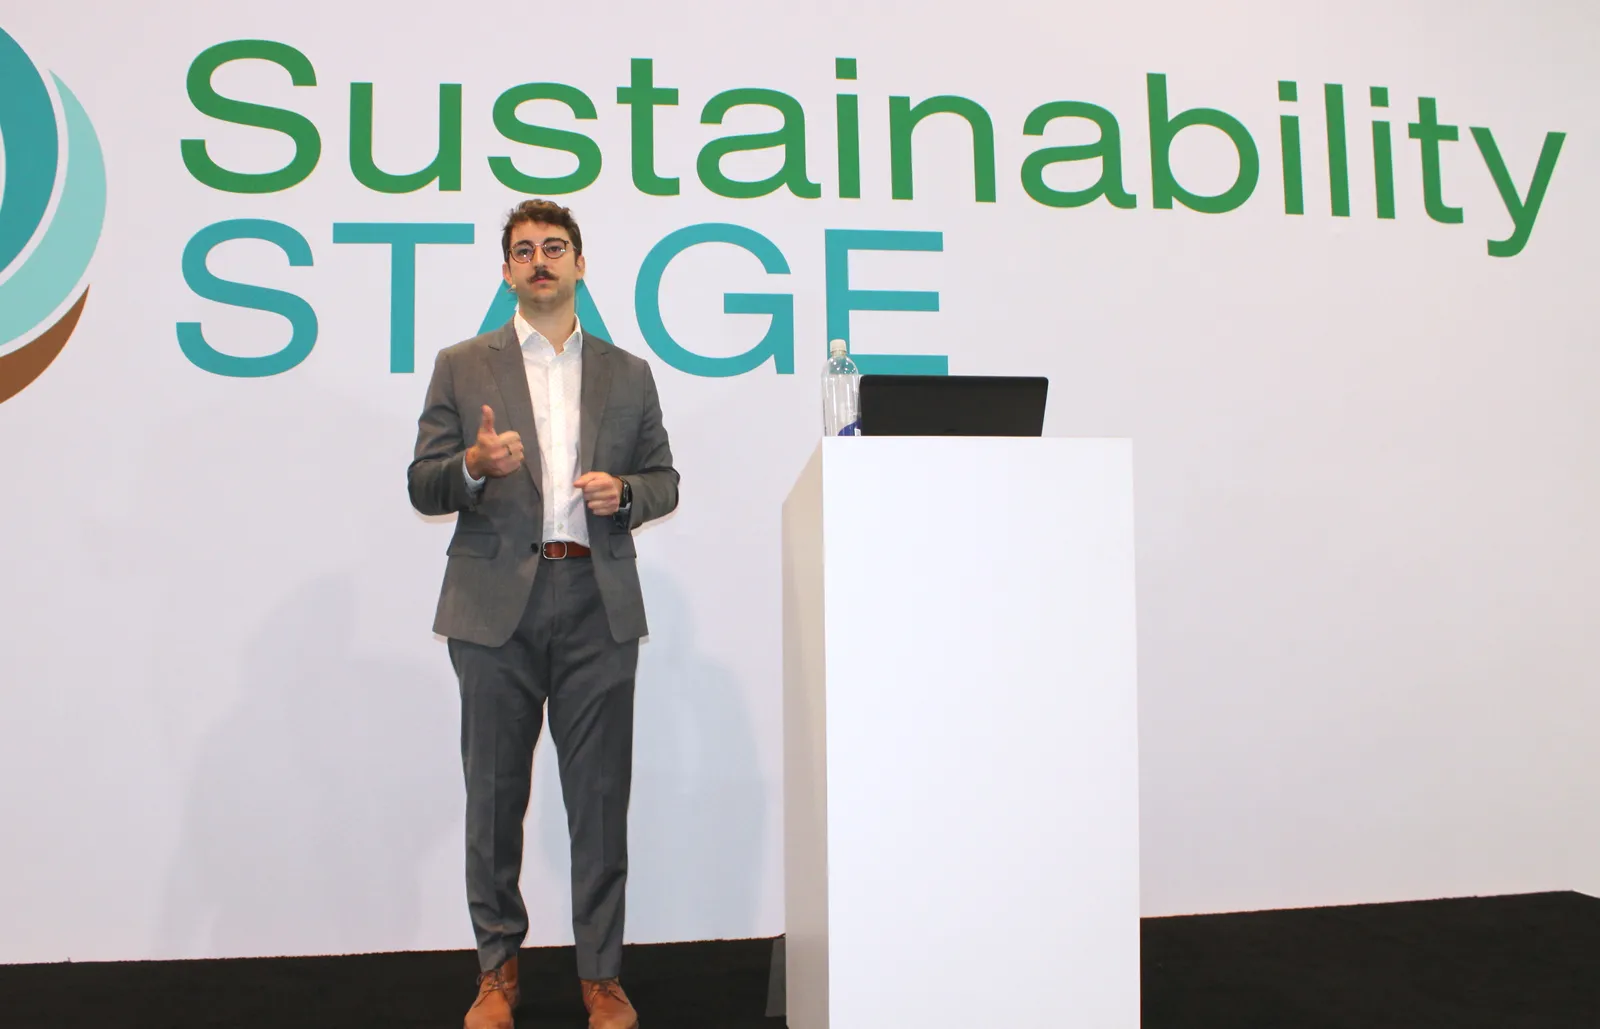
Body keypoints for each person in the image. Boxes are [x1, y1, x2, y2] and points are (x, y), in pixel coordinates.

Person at [407, 198, 678, 1029]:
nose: (539, 261)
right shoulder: (462, 364)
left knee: (599, 800)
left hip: (596, 603)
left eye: (553, 247)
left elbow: (665, 479)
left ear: (580, 264)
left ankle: (602, 976)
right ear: (506, 272)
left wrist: (626, 493)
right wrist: (476, 467)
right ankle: (497, 972)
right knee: (493, 797)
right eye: (523, 251)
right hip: (494, 609)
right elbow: (424, 481)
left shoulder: (628, 373)